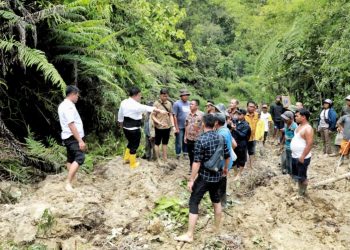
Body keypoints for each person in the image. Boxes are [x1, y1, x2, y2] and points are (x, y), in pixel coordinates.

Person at [175, 114, 230, 243]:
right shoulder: (221, 137)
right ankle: (216, 229)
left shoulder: (201, 140)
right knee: (216, 201)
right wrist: (225, 169)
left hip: (204, 177)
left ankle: (189, 235)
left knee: (194, 202)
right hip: (217, 177)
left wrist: (191, 179)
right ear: (215, 124)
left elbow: (197, 162)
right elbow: (227, 156)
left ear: (204, 124)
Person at [118, 87, 166, 169]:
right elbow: (147, 108)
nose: (140, 97)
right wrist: (160, 111)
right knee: (134, 145)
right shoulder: (136, 105)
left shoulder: (123, 102)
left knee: (130, 142)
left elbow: (120, 114)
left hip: (125, 127)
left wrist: (120, 123)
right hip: (134, 129)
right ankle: (132, 163)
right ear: (136, 95)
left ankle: (126, 159)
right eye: (140, 95)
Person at [58, 85, 86, 192]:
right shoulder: (68, 106)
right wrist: (80, 140)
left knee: (70, 159)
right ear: (73, 94)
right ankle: (68, 182)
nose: (78, 97)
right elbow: (71, 124)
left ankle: (73, 180)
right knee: (80, 158)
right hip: (72, 136)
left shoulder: (62, 105)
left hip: (67, 136)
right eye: (77, 95)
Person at [290, 109, 314, 196]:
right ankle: (300, 191)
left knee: (302, 177)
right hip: (295, 156)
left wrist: (302, 156)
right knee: (297, 176)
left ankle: (302, 193)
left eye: (297, 116)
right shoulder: (298, 127)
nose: (295, 117)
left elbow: (309, 144)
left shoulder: (308, 129)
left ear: (303, 117)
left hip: (302, 157)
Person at [215, 111, 236, 207]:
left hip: (223, 162)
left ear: (216, 122)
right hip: (226, 162)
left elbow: (222, 152)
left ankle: (221, 203)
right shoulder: (226, 130)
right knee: (222, 181)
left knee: (221, 183)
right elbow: (234, 144)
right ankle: (222, 201)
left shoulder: (221, 133)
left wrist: (225, 166)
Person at [151, 89, 176, 165]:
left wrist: (173, 125)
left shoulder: (169, 103)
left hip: (167, 127)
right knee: (157, 143)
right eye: (164, 96)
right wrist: (160, 123)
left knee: (165, 143)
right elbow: (153, 116)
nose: (165, 97)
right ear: (160, 95)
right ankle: (158, 159)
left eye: (166, 96)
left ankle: (165, 158)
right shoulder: (156, 104)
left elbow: (171, 115)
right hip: (158, 127)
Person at [231, 109, 251, 179]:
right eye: (237, 114)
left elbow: (243, 135)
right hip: (234, 143)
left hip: (242, 144)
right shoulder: (235, 121)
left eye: (239, 114)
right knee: (233, 158)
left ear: (244, 115)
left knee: (242, 159)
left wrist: (235, 129)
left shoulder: (246, 125)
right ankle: (235, 172)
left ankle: (239, 174)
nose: (238, 115)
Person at [185, 99, 203, 172]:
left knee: (197, 154)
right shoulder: (188, 114)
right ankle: (191, 167)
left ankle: (198, 168)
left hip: (198, 138)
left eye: (192, 104)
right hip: (189, 137)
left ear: (197, 106)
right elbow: (186, 125)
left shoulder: (201, 115)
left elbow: (204, 126)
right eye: (190, 104)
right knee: (190, 154)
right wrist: (185, 136)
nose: (190, 105)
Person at [173, 89, 191, 159]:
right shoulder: (177, 104)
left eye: (187, 95)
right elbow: (174, 116)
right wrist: (176, 127)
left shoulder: (189, 103)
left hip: (187, 126)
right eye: (185, 95)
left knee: (186, 140)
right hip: (179, 126)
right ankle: (178, 154)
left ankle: (185, 153)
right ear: (181, 96)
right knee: (179, 141)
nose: (186, 96)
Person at [280, 111, 298, 175]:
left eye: (286, 119)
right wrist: (282, 143)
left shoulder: (295, 126)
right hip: (287, 146)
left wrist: (290, 139)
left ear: (291, 119)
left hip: (292, 147)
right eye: (284, 119)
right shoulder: (286, 124)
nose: (284, 121)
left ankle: (292, 174)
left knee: (291, 161)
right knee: (286, 160)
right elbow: (285, 134)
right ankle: (288, 172)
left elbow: (297, 138)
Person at [245, 101, 259, 168]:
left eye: (253, 107)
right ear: (247, 107)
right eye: (250, 106)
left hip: (253, 137)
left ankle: (251, 166)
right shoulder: (243, 115)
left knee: (252, 152)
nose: (252, 108)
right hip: (245, 137)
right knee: (244, 151)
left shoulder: (257, 114)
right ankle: (244, 165)